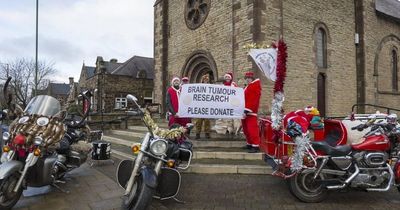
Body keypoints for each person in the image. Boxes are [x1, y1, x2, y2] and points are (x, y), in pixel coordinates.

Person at [241, 71, 262, 153]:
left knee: (252, 130)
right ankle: (249, 144)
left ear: (252, 78)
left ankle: (255, 146)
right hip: (244, 111)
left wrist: (247, 110)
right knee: (246, 130)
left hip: (250, 112)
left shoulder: (254, 86)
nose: (248, 80)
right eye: (246, 78)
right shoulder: (248, 86)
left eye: (249, 78)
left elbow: (253, 100)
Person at [195, 74, 211, 139]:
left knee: (207, 121)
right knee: (199, 121)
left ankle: (207, 133)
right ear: (202, 80)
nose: (205, 81)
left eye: (206, 80)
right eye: (204, 79)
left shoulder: (210, 87)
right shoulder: (199, 87)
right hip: (200, 106)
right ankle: (197, 133)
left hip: (207, 106)